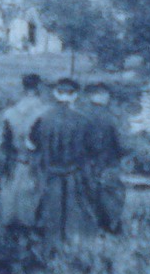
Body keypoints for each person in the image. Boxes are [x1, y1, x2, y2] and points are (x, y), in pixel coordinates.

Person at [31, 78, 99, 241]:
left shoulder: (42, 119)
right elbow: (93, 150)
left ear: (56, 94)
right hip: (74, 175)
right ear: (75, 95)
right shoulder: (84, 120)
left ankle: (50, 248)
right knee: (75, 216)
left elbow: (32, 145)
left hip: (50, 174)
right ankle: (73, 249)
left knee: (50, 214)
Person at [0, 73, 48, 234]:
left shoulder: (10, 113)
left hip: (15, 163)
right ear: (39, 88)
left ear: (23, 88)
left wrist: (3, 165)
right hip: (37, 166)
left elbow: (0, 145)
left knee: (11, 203)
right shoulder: (46, 112)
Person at [82, 82, 129, 234]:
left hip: (86, 165)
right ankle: (110, 230)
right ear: (104, 96)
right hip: (108, 165)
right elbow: (122, 144)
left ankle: (92, 231)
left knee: (88, 200)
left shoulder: (81, 115)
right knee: (112, 200)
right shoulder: (112, 118)